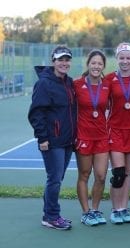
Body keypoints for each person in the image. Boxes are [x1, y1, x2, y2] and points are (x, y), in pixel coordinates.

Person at [28, 45, 77, 230]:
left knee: (57, 178)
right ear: (53, 61)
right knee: (54, 178)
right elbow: (36, 113)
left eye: (67, 59)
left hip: (67, 141)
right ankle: (51, 216)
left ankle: (50, 213)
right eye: (60, 59)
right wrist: (42, 139)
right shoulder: (44, 83)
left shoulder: (69, 82)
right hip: (52, 141)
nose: (64, 63)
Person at [105, 42, 130, 224]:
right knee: (118, 173)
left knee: (127, 172)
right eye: (121, 57)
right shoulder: (109, 79)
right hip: (115, 130)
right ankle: (115, 209)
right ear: (116, 58)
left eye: (128, 58)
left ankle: (124, 208)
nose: (125, 61)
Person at [74, 49, 110, 226]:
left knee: (101, 176)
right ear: (88, 64)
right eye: (93, 63)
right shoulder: (77, 84)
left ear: (103, 66)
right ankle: (85, 212)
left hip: (102, 137)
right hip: (84, 137)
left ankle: (95, 210)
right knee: (84, 174)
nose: (96, 66)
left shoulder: (107, 85)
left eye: (100, 64)